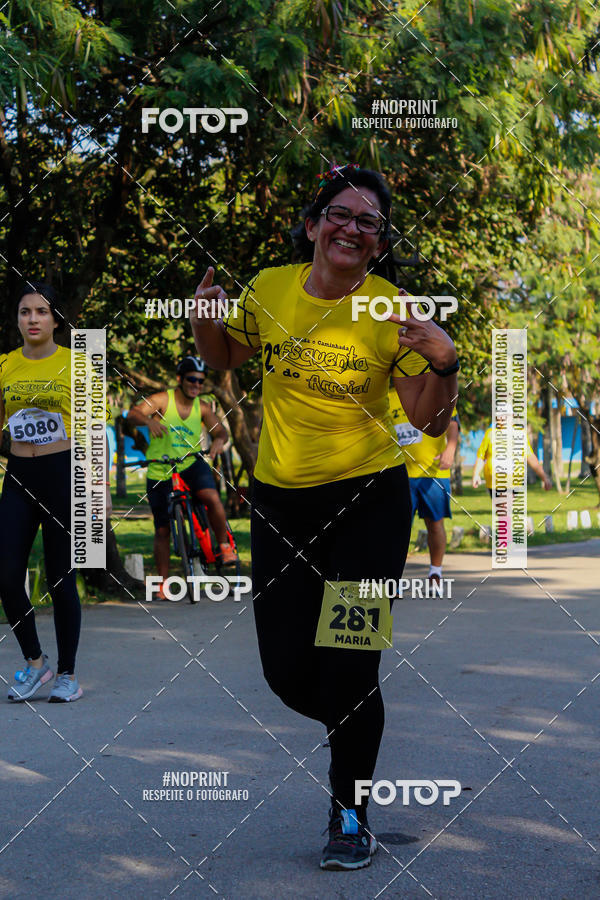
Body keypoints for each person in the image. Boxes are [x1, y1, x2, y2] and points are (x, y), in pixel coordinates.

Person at [190, 164, 459, 870]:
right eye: (340, 214)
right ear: (313, 225)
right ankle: (356, 722)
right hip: (280, 502)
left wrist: (447, 364)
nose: (351, 228)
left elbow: (424, 422)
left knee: (349, 663)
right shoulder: (269, 289)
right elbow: (224, 359)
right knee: (286, 673)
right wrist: (202, 323)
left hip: (369, 502)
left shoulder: (391, 309)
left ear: (376, 244)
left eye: (368, 223)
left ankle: (350, 814)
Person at [0, 282, 111, 703]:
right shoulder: (5, 365)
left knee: (62, 578)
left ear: (55, 320)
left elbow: (95, 432)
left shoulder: (79, 364)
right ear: (17, 319)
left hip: (65, 474)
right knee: (6, 572)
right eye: (25, 312)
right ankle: (35, 663)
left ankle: (68, 675)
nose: (32, 319)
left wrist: (96, 491)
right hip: (19, 474)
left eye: (41, 312)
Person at [127, 356, 238, 600]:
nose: (196, 385)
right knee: (162, 530)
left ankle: (224, 547)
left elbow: (220, 431)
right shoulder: (162, 399)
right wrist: (147, 421)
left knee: (211, 498)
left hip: (190, 463)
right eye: (191, 379)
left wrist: (219, 440)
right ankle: (164, 586)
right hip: (161, 469)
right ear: (180, 379)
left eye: (200, 381)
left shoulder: (203, 407)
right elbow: (132, 414)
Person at [388, 383, 459, 587]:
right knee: (399, 528)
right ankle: (394, 579)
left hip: (433, 472)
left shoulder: (437, 393)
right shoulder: (389, 396)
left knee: (435, 524)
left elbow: (452, 424)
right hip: (400, 473)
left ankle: (435, 573)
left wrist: (450, 450)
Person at [472, 423, 552, 493]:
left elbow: (530, 457)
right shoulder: (490, 433)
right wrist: (476, 474)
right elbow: (481, 457)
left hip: (513, 481)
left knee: (504, 508)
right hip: (493, 482)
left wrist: (544, 477)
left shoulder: (519, 434)